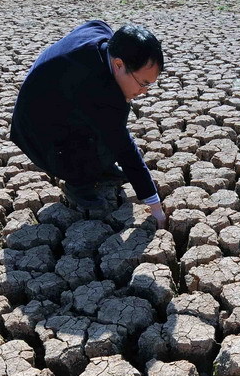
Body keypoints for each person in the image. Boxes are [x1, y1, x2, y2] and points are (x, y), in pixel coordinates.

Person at [10, 20, 167, 227]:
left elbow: (94, 24)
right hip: (37, 130)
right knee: (108, 131)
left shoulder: (105, 40)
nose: (144, 91)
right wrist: (155, 206)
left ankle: (99, 167)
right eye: (143, 83)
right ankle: (77, 183)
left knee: (106, 127)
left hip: (58, 101)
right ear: (119, 64)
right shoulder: (94, 83)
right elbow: (124, 146)